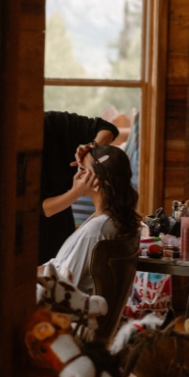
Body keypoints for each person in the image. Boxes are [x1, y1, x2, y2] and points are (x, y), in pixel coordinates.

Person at [40, 143, 138, 293]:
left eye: (82, 170)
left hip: (62, 308)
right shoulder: (108, 220)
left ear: (102, 180)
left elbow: (64, 283)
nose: (77, 176)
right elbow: (59, 267)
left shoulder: (97, 229)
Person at [39, 111, 120, 264]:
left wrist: (92, 147)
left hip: (61, 223)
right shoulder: (100, 227)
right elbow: (42, 209)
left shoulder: (55, 123)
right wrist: (76, 192)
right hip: (33, 228)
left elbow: (107, 128)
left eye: (84, 169)